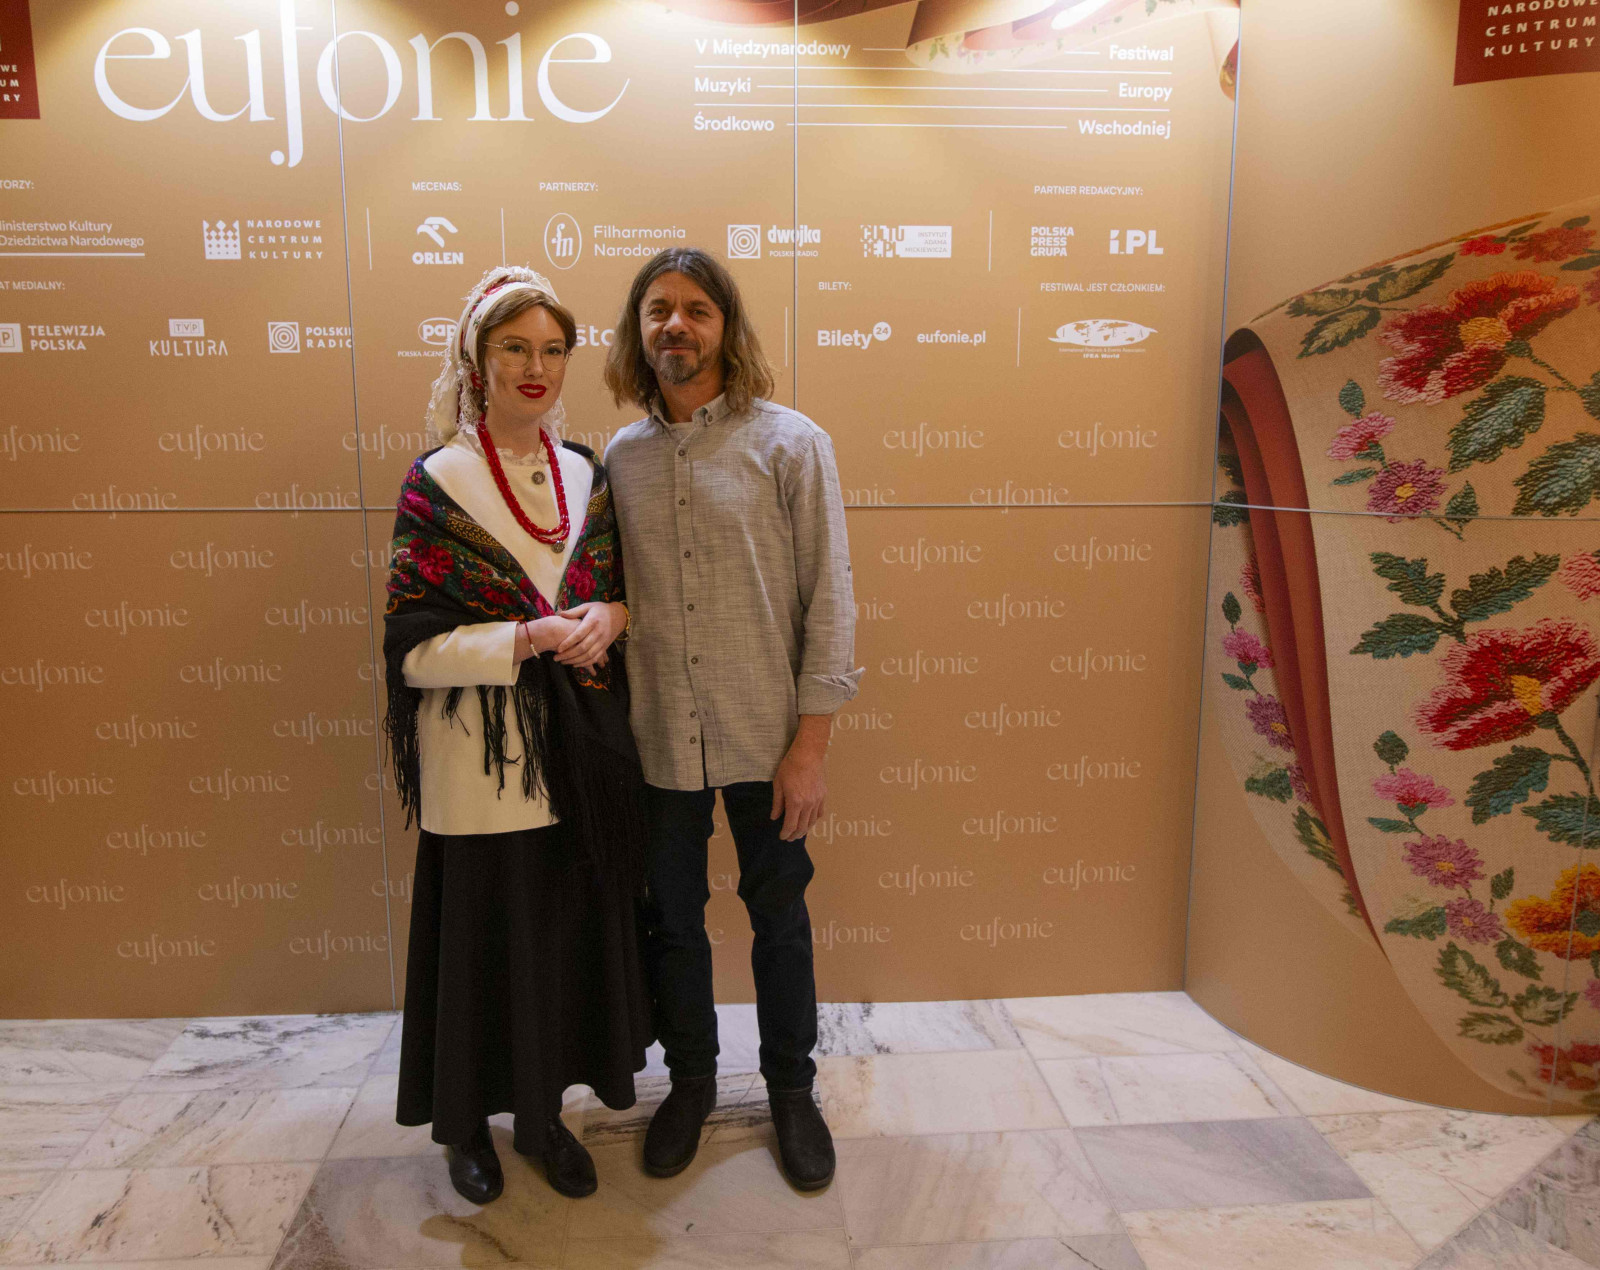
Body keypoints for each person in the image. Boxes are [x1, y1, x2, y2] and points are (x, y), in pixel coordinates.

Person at [382, 265, 649, 1204]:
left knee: (558, 948)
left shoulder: (584, 474)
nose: (536, 368)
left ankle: (542, 1118)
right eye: (514, 348)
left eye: (552, 350)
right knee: (483, 951)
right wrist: (525, 639)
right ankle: (467, 1127)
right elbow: (411, 652)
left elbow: (618, 596)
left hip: (580, 765)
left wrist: (610, 617)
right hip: (481, 765)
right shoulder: (438, 482)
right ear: (477, 360)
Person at [602, 248, 861, 1191]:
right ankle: (692, 1085)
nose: (676, 324)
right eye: (658, 309)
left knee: (779, 920)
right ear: (638, 331)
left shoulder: (792, 443)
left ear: (726, 326)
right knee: (672, 923)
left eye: (697, 309)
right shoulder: (620, 460)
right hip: (658, 739)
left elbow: (829, 599)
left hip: (768, 736)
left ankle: (792, 1091)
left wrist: (811, 746)